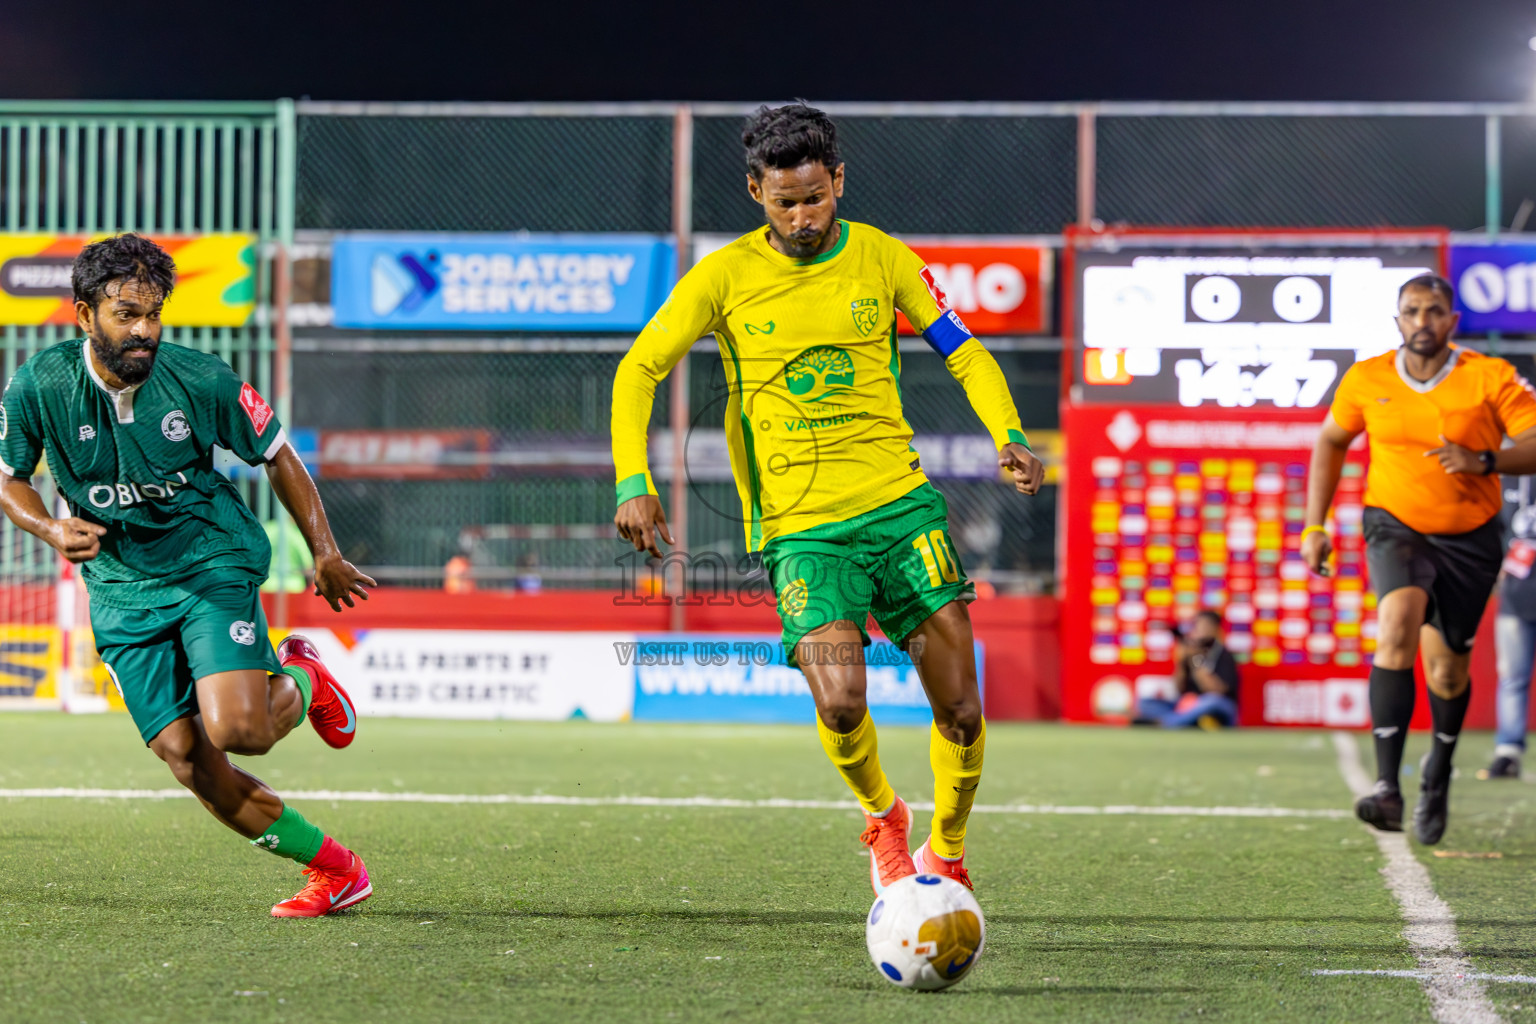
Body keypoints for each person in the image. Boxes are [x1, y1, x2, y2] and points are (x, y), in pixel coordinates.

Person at [611, 103, 1042, 894]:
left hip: (901, 510)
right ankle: (885, 817)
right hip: (801, 531)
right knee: (842, 701)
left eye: (816, 196)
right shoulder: (723, 277)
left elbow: (964, 350)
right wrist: (633, 482)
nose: (804, 216)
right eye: (786, 202)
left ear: (837, 180)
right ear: (755, 192)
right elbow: (638, 370)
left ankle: (947, 850)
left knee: (962, 712)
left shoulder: (883, 259)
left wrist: (1006, 432)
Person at [0, 234, 377, 917]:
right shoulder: (39, 385)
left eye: (153, 313)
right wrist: (50, 527)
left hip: (208, 561)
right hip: (120, 589)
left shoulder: (200, 379)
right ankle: (336, 870)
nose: (144, 330)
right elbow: (9, 479)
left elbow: (279, 453)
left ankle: (304, 676)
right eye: (126, 314)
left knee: (240, 730)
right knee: (187, 757)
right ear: (84, 315)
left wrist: (324, 550)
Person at [1303, 273, 1536, 844]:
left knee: (1447, 670)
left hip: (1468, 535)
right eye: (1412, 311)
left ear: (1452, 322)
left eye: (1434, 311)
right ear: (1398, 320)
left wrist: (1484, 460)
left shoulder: (1489, 377)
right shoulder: (1368, 378)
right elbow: (1331, 441)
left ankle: (1437, 773)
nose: (1422, 321)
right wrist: (1316, 524)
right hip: (1393, 524)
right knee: (1395, 627)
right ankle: (1387, 788)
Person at [1483, 473, 1536, 780]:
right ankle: (1508, 750)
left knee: (1513, 679)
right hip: (1516, 594)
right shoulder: (1507, 478)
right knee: (1512, 677)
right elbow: (1494, 531)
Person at [1132, 610, 1240, 728]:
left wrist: (1196, 660)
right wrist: (1181, 661)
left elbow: (1216, 691)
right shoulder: (1191, 651)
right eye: (1198, 625)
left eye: (1205, 625)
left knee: (1210, 701)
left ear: (1215, 628)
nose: (1200, 629)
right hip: (1189, 705)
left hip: (1219, 706)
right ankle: (1191, 721)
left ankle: (1166, 723)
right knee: (1145, 703)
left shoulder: (1223, 654)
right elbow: (1178, 689)